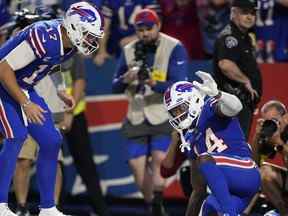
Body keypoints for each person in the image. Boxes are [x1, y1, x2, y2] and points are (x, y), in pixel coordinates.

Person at [0, 1, 104, 215]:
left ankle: (47, 207)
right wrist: (25, 102)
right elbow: (3, 68)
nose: (91, 41)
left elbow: (52, 63)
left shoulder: (68, 42)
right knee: (16, 136)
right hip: (4, 83)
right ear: (74, 27)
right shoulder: (44, 36)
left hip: (23, 85)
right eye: (88, 34)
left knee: (52, 140)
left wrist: (60, 89)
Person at [112, 8, 188, 215]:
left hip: (162, 114)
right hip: (136, 114)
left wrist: (155, 83)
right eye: (140, 29)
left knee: (159, 164)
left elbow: (180, 85)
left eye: (149, 28)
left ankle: (157, 206)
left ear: (159, 26)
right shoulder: (129, 50)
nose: (144, 33)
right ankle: (153, 206)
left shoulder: (174, 47)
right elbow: (114, 86)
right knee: (137, 171)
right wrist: (125, 79)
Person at [163, 71, 261, 215]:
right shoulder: (190, 138)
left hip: (245, 172)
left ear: (194, 100)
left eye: (180, 109)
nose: (178, 116)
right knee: (207, 209)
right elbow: (198, 189)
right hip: (228, 190)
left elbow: (236, 108)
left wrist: (217, 94)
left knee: (205, 159)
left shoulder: (209, 107)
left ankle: (229, 213)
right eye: (174, 113)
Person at [58, 53, 110, 216]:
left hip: (74, 114)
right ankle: (55, 208)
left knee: (85, 163)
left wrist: (70, 112)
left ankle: (100, 210)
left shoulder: (73, 52)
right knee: (54, 161)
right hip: (50, 114)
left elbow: (79, 80)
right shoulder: (44, 50)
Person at [213, 0, 263, 139]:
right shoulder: (230, 37)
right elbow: (225, 64)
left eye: (252, 13)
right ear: (233, 13)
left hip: (242, 103)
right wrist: (245, 80)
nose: (249, 17)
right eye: (244, 12)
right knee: (232, 144)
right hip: (233, 103)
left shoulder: (245, 36)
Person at [250, 100, 288, 215]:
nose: (273, 124)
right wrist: (257, 136)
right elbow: (254, 164)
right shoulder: (274, 132)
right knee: (263, 172)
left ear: (285, 117)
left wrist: (279, 144)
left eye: (275, 120)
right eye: (269, 121)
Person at [93, 0, 160, 65]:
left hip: (142, 42)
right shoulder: (110, 1)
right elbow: (104, 27)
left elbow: (155, 28)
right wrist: (101, 51)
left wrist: (134, 40)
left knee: (127, 44)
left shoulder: (149, 1)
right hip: (116, 43)